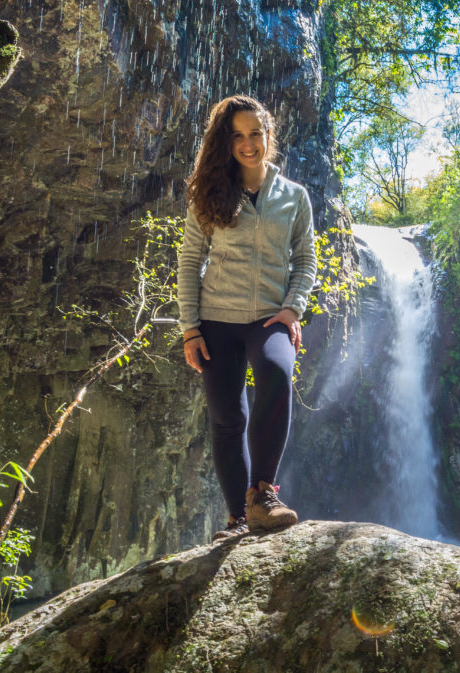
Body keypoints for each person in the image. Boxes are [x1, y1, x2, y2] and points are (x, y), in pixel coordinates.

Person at [177, 95, 317, 541]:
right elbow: (189, 260)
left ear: (268, 136)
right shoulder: (209, 192)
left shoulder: (294, 197)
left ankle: (263, 495)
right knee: (226, 418)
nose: (248, 143)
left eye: (255, 133)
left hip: (269, 320)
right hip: (216, 320)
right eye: (238, 135)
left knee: (277, 376)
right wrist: (189, 328)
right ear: (227, 141)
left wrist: (292, 308)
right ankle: (238, 518)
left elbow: (306, 260)